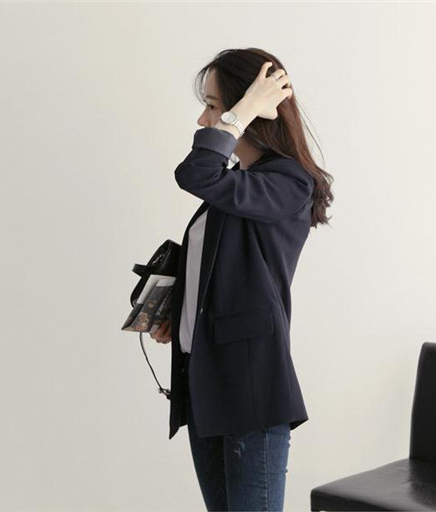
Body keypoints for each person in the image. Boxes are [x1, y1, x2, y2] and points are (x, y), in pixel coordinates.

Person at [151, 48, 334, 511]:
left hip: (251, 392)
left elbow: (195, 172)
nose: (204, 119)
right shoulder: (239, 182)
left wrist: (243, 110)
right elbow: (222, 268)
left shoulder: (288, 182)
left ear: (251, 109)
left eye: (214, 106)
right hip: (206, 383)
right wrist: (183, 315)